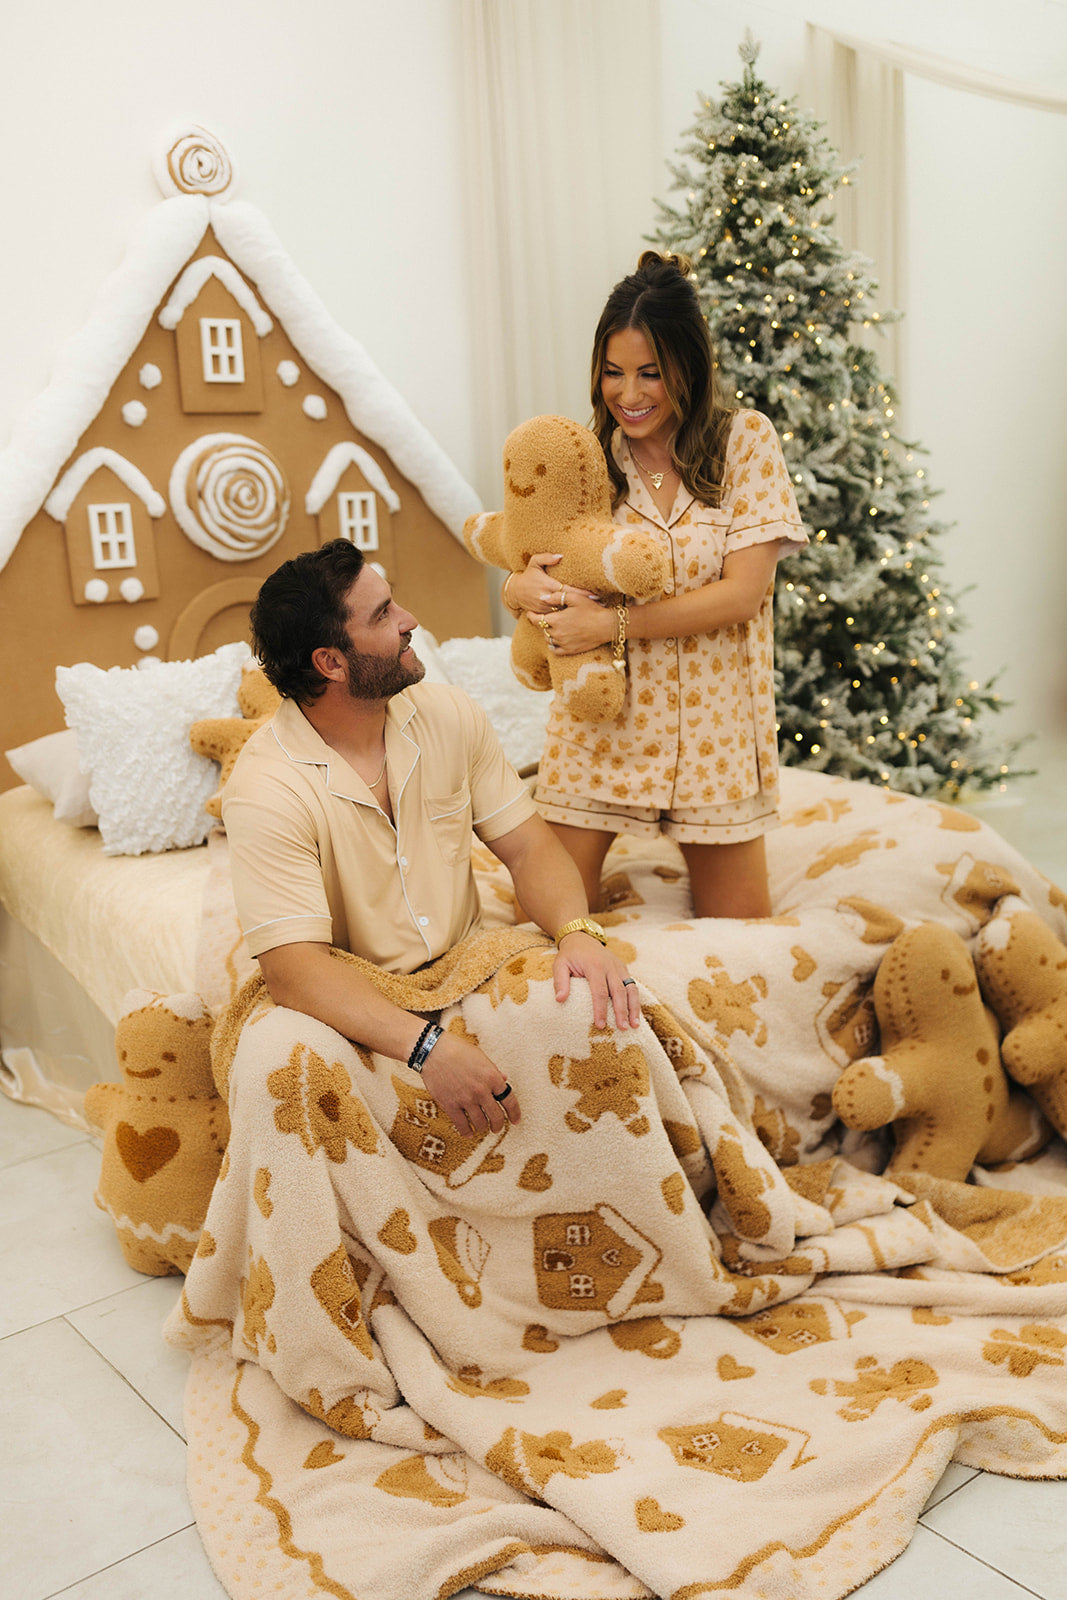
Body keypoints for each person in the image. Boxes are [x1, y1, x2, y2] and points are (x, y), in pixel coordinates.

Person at [221, 539, 641, 1137]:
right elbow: (293, 970)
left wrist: (577, 932)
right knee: (281, 1074)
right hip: (352, 993)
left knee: (595, 1010)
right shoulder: (264, 786)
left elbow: (528, 847)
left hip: (469, 961)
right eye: (384, 614)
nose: (409, 621)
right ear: (331, 663)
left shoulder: (451, 715)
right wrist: (430, 1049)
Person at [494, 251, 807, 920]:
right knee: (543, 925)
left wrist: (613, 625)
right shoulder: (583, 460)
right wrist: (517, 590)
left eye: (650, 374)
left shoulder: (742, 444)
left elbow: (740, 595)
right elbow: (533, 559)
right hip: (600, 725)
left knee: (744, 938)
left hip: (716, 735)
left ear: (687, 369)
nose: (628, 394)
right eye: (613, 373)